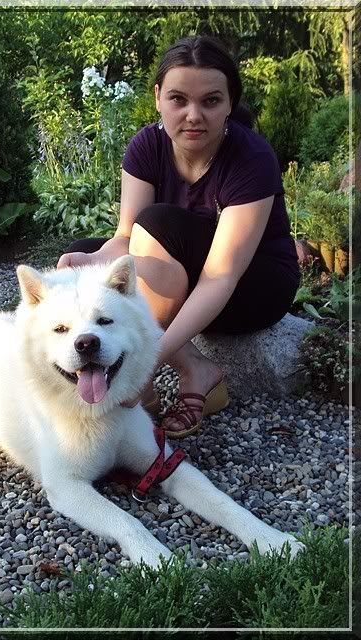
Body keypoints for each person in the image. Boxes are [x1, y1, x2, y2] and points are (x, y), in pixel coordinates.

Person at [57, 34, 300, 438]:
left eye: (211, 101)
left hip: (254, 286)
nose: (193, 115)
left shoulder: (251, 158)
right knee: (84, 256)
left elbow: (220, 277)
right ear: (158, 98)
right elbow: (125, 239)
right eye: (178, 99)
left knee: (157, 223)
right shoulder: (146, 147)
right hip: (184, 273)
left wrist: (145, 362)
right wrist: (92, 260)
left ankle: (137, 383)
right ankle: (196, 368)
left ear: (230, 103)